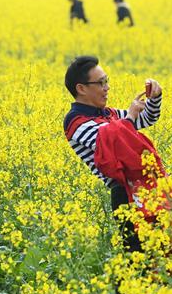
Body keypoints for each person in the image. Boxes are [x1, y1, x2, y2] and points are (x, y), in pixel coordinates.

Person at [63, 56, 163, 253]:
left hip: (145, 188)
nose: (107, 87)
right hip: (124, 194)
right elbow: (110, 143)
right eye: (101, 83)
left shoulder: (109, 114)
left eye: (106, 81)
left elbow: (146, 119)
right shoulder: (75, 121)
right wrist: (130, 116)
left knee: (162, 251)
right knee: (139, 256)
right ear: (81, 88)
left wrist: (154, 98)